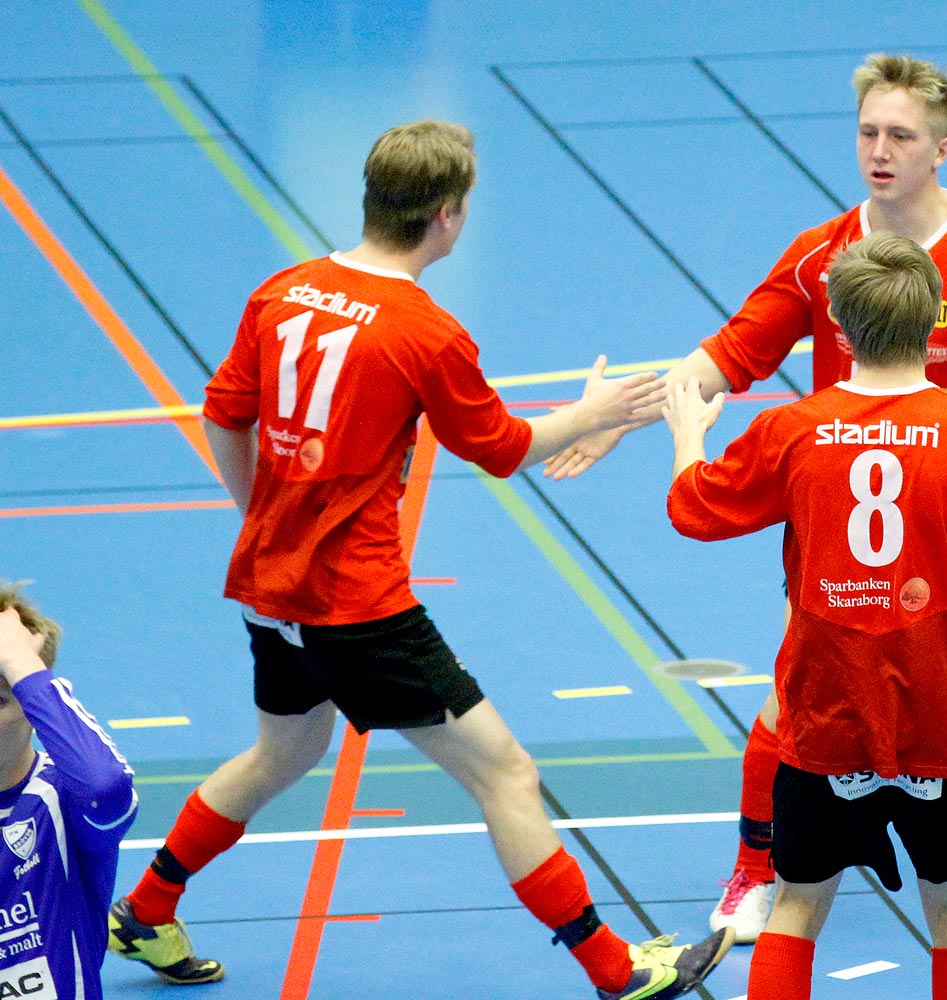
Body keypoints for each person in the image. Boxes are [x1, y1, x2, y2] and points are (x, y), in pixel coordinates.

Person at [106, 119, 733, 999]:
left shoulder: (283, 290)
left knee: (280, 756)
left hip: (268, 587)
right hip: (357, 608)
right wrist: (592, 414)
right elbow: (505, 448)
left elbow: (224, 415)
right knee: (505, 774)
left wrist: (262, 515)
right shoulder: (423, 330)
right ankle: (615, 970)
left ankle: (144, 910)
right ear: (447, 214)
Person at [545, 52, 947, 941]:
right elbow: (730, 354)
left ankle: (903, 832)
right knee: (795, 701)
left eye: (900, 136)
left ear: (941, 148)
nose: (879, 151)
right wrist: (623, 418)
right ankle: (757, 863)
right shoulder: (823, 253)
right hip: (852, 539)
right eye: (867, 133)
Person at [663, 231, 947, 999]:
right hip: (940, 724)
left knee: (796, 908)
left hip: (824, 721)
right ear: (931, 328)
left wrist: (687, 437)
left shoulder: (793, 430)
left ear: (838, 330)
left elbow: (694, 508)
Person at [0, 581, 138, 1000]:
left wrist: (20, 661)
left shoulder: (61, 801)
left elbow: (105, 788)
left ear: (34, 705)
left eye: (0, 697)